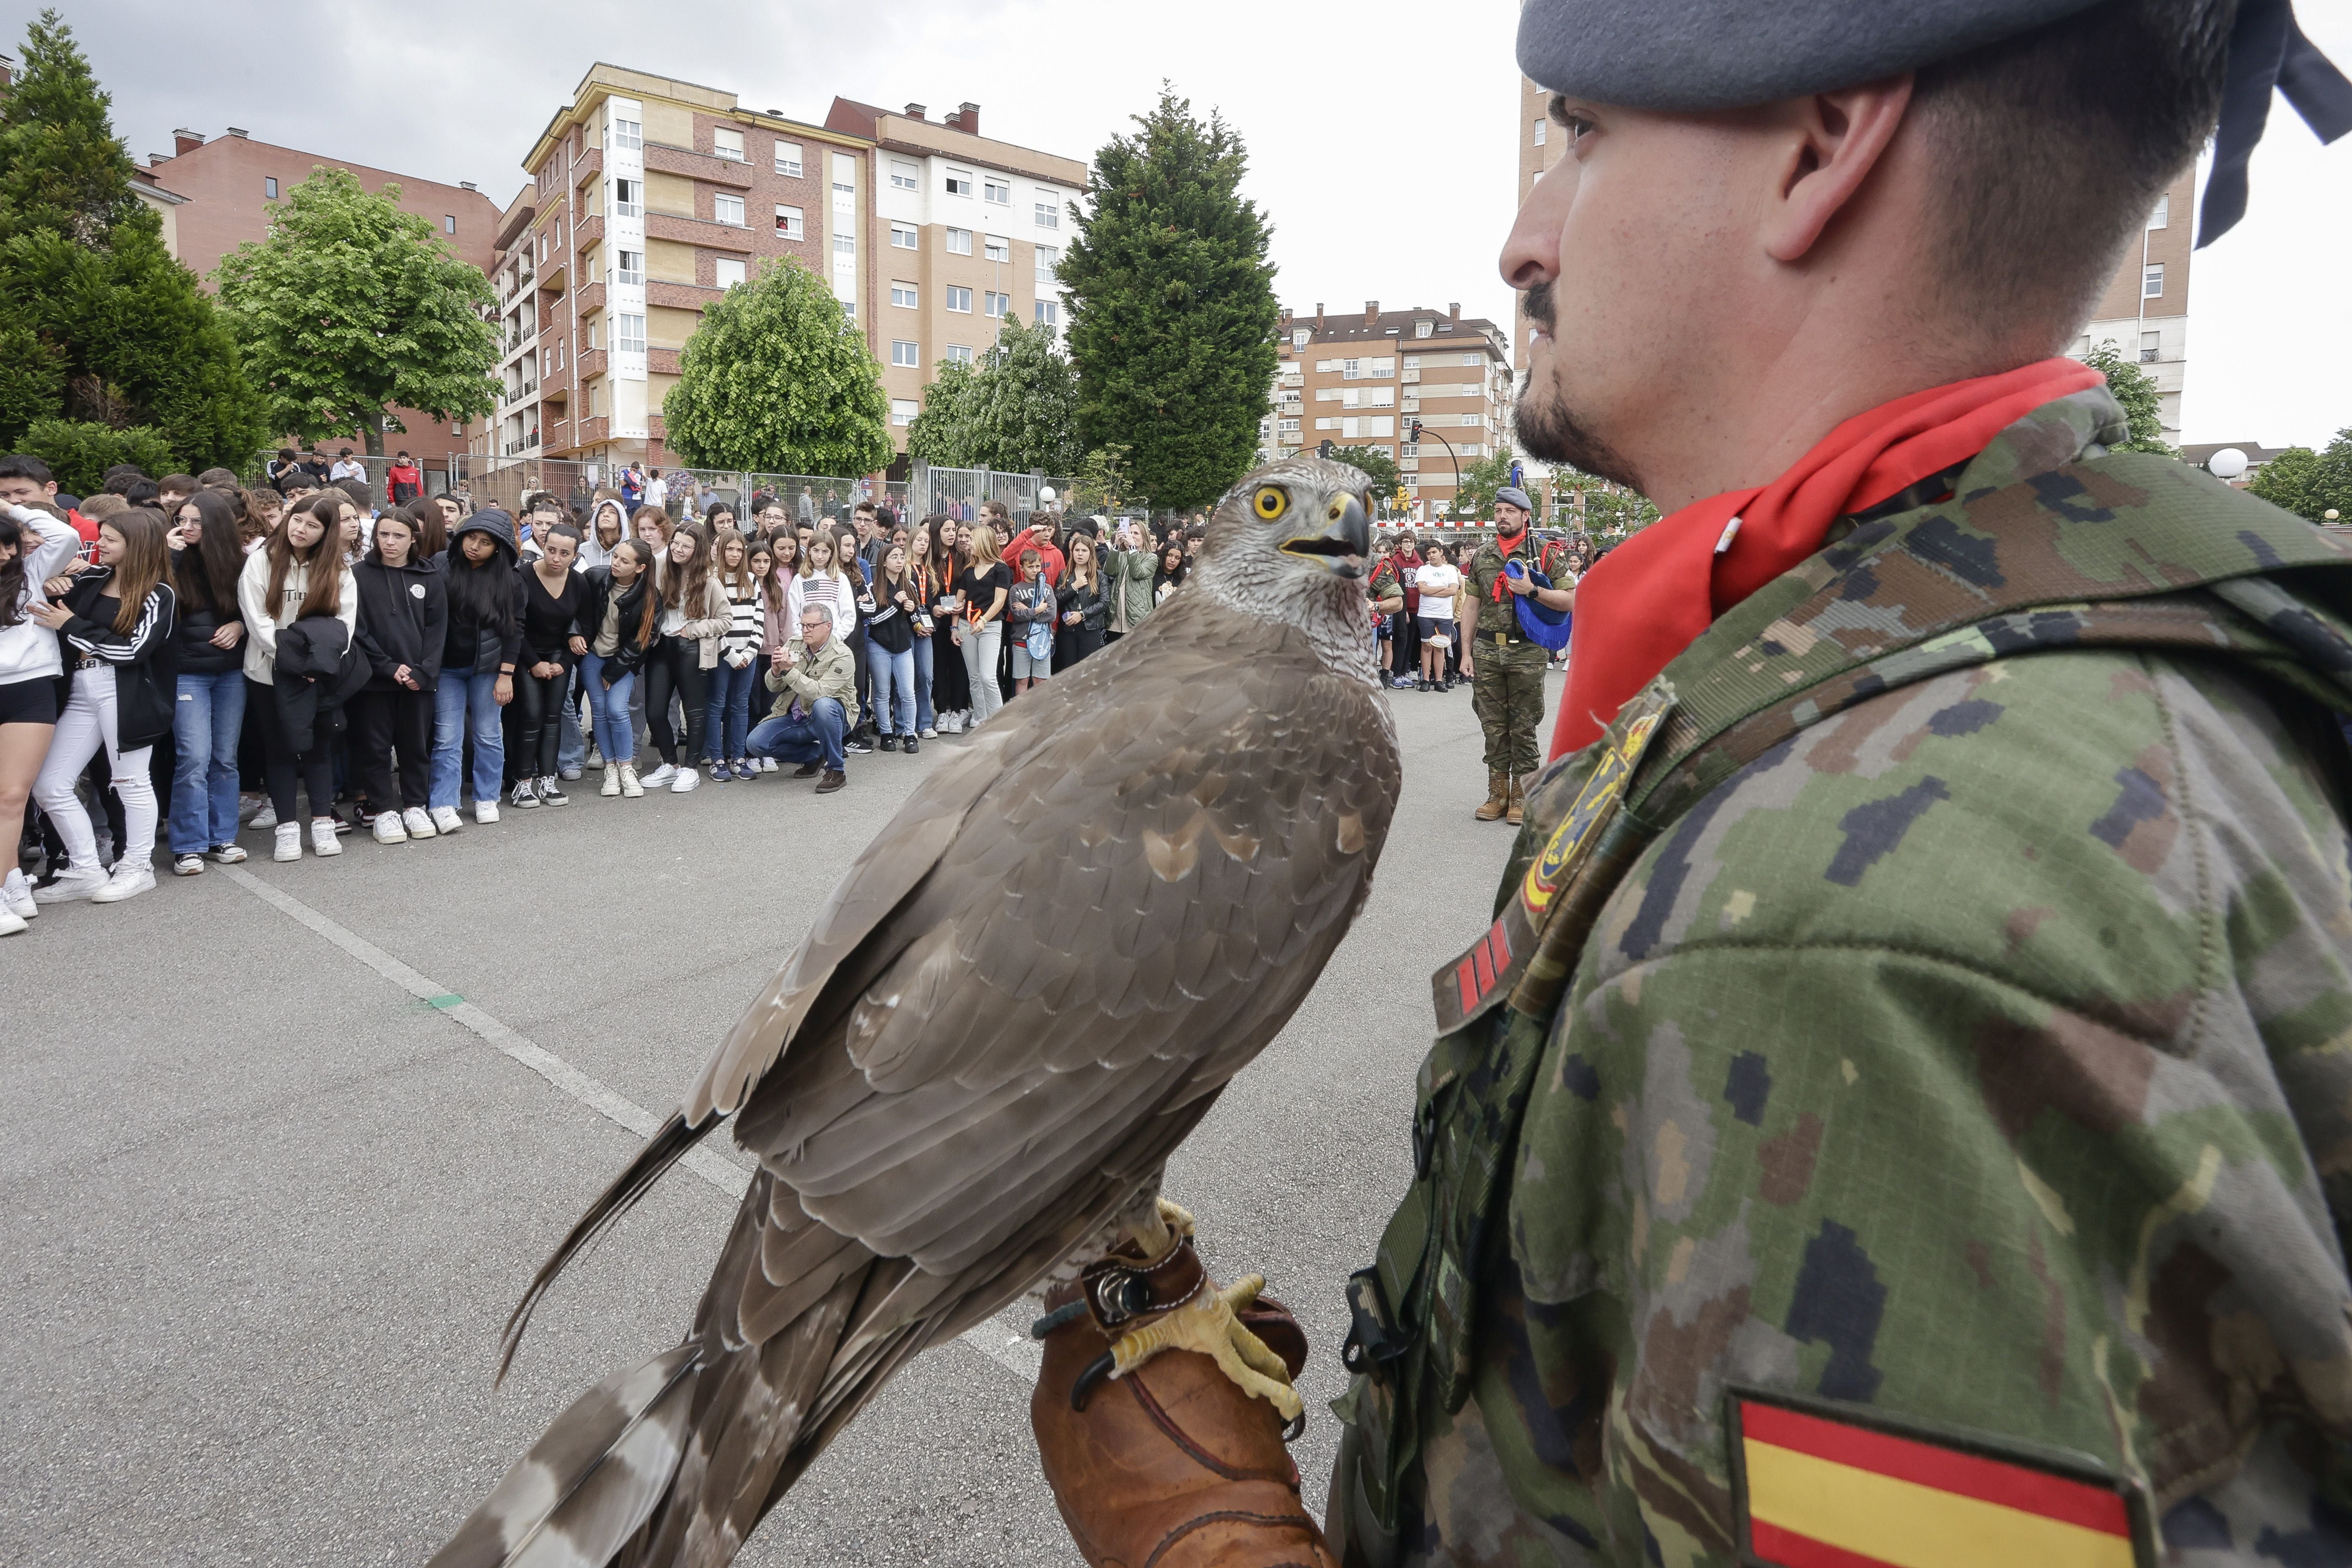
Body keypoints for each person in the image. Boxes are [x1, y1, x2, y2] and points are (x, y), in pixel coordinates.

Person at [1029, 3, 2352, 1565]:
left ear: (1818, 147)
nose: (1522, 239)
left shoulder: (1854, 915)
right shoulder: (2115, 656)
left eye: (1581, 133)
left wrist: (1212, 1539)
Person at [25, 508, 175, 904]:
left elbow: (132, 651)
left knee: (130, 781)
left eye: (109, 539)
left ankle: (137, 867)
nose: (99, 544)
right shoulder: (90, 579)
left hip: (125, 692)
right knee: (50, 784)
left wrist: (72, 625)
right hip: (81, 688)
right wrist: (55, 582)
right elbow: (48, 597)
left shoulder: (160, 593)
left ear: (136, 546)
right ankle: (86, 869)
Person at [238, 494, 358, 861]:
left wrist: (317, 666)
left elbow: (345, 626)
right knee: (280, 750)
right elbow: (257, 620)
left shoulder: (338, 569)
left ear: (326, 532)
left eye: (313, 525)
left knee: (320, 748)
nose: (300, 530)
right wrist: (293, 663)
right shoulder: (262, 561)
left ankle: (322, 822)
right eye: (297, 520)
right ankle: (287, 828)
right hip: (269, 673)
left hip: (318, 675)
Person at [1460, 486, 1568, 823]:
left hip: (1527, 651)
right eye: (1498, 511)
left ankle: (1522, 795)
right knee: (1493, 727)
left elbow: (1573, 599)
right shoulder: (1483, 554)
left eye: (1510, 511)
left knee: (1524, 726)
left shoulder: (1545, 554)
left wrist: (1533, 590)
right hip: (1488, 650)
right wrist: (1465, 651)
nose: (1502, 517)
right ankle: (1497, 794)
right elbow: (1472, 605)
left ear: (1525, 516)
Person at [0, 494, 80, 933]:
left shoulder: (30, 572)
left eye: (11, 543)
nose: (9, 553)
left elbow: (64, 533)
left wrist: (7, 507)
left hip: (29, 689)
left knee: (12, 796)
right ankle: (11, 879)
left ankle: (3, 889)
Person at [163, 490, 251, 874]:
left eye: (196, 521)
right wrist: (170, 555)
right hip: (187, 671)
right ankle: (188, 844)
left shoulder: (241, 563)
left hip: (231, 671)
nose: (187, 526)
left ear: (215, 524)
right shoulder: (170, 561)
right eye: (182, 519)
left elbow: (261, 610)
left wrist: (239, 625)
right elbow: (153, 600)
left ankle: (223, 836)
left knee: (225, 758)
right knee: (193, 758)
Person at [348, 507, 445, 845]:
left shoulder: (429, 576)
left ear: (413, 539)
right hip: (375, 680)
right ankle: (384, 810)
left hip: (419, 680)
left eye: (399, 536)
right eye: (384, 534)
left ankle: (415, 805)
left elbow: (437, 629)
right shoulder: (358, 575)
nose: (390, 542)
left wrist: (424, 670)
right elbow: (357, 629)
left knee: (415, 746)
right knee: (375, 747)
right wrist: (387, 666)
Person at [429, 507, 521, 832]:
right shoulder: (442, 565)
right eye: (471, 537)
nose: (475, 546)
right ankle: (443, 803)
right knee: (447, 738)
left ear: (498, 547)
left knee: (488, 735)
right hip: (447, 669)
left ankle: (487, 798)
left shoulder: (510, 580)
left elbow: (516, 629)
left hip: (488, 670)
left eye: (485, 542)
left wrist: (506, 675)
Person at [639, 525, 727, 793]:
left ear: (697, 550)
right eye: (676, 543)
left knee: (694, 711)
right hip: (660, 647)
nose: (678, 549)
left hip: (692, 648)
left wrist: (693, 630)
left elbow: (725, 620)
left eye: (686, 546)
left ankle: (690, 768)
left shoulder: (709, 581)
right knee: (654, 711)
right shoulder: (661, 569)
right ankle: (670, 764)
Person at [509, 524, 587, 809]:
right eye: (551, 550)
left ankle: (547, 779)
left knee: (554, 716)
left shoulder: (579, 583)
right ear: (543, 546)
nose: (556, 558)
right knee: (531, 715)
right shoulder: (522, 577)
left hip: (559, 654)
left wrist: (564, 662)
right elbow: (514, 627)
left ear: (575, 556)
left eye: (564, 553)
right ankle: (522, 782)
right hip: (525, 653)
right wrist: (534, 663)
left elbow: (585, 624)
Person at [744, 601, 856, 793]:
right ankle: (814, 756)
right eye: (803, 625)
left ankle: (836, 770)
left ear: (828, 626)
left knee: (823, 705)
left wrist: (788, 671)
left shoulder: (842, 655)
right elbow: (773, 687)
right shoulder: (794, 645)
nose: (806, 630)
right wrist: (776, 670)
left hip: (831, 718)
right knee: (756, 743)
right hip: (795, 715)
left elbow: (820, 692)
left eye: (811, 626)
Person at [579, 538, 656, 798]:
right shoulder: (595, 578)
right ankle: (610, 768)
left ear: (640, 568)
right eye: (615, 557)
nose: (616, 563)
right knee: (599, 711)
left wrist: (614, 672)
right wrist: (573, 634)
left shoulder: (649, 596)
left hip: (624, 660)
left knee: (617, 709)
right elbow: (577, 613)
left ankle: (627, 767)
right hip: (592, 654)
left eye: (625, 561)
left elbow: (641, 643)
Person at [702, 531, 764, 781]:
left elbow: (759, 618)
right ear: (720, 551)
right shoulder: (710, 580)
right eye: (730, 550)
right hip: (722, 654)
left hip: (748, 654)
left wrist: (750, 651)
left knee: (741, 705)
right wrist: (730, 655)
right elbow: (711, 621)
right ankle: (717, 759)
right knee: (717, 704)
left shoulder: (750, 580)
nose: (735, 555)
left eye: (740, 551)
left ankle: (738, 757)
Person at [861, 542, 920, 753]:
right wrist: (896, 604)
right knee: (882, 692)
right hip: (879, 645)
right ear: (884, 562)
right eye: (894, 557)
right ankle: (886, 733)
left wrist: (913, 610)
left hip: (903, 646)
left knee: (908, 692)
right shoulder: (874, 587)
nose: (899, 561)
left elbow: (916, 621)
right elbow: (874, 620)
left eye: (901, 556)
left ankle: (910, 734)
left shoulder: (910, 586)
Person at [957, 524, 1010, 728]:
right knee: (975, 677)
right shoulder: (969, 570)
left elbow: (999, 602)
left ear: (983, 543)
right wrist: (955, 628)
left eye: (973, 540)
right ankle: (981, 720)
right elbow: (958, 602)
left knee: (988, 677)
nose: (969, 544)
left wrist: (984, 620)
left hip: (990, 626)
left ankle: (999, 723)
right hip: (966, 625)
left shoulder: (1001, 569)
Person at [922, 518, 971, 734]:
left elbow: (966, 586)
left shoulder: (962, 557)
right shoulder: (928, 560)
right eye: (947, 530)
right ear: (937, 532)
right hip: (935, 620)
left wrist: (960, 607)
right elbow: (923, 590)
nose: (952, 535)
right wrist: (933, 608)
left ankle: (958, 711)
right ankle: (942, 712)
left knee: (959, 665)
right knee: (939, 666)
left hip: (958, 619)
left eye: (954, 530)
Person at [1004, 548, 1056, 696]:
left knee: (1041, 680)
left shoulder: (1047, 588)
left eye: (1037, 566)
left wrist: (1028, 610)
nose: (1035, 570)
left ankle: (1040, 714)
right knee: (1022, 681)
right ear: (1022, 568)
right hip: (1021, 640)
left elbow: (1051, 615)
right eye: (1030, 567)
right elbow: (1018, 616)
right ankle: (1022, 714)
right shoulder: (1016, 590)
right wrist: (1038, 610)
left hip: (1043, 640)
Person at [1411, 540, 1461, 692]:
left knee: (1440, 646)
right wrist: (1441, 588)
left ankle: (1439, 680)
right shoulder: (1423, 570)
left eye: (1434, 552)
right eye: (1428, 554)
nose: (1431, 556)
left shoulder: (1451, 571)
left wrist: (1432, 589)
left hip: (1445, 615)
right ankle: (1426, 679)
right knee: (1426, 646)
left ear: (1441, 552)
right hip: (1426, 614)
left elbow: (1453, 591)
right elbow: (1423, 590)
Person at [1054, 534, 1108, 671]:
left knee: (1087, 669)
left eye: (1084, 551)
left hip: (1090, 629)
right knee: (1068, 669)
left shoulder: (1099, 575)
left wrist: (1082, 615)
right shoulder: (1064, 574)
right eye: (1077, 550)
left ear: (1091, 553)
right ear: (1072, 553)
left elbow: (1104, 603)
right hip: (1068, 629)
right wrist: (1073, 587)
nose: (1080, 554)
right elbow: (1057, 600)